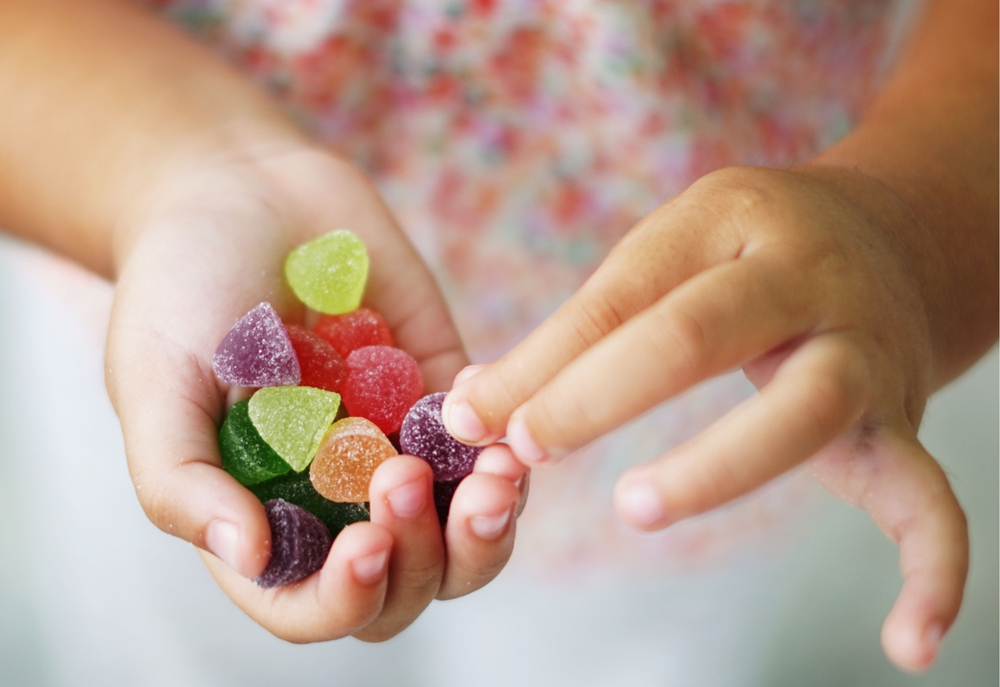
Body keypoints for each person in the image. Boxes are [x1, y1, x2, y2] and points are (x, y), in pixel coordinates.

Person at [0, 0, 994, 677]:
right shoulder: (246, 352)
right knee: (184, 653)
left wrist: (913, 223)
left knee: (623, 659)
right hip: (159, 290)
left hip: (708, 374)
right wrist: (176, 175)